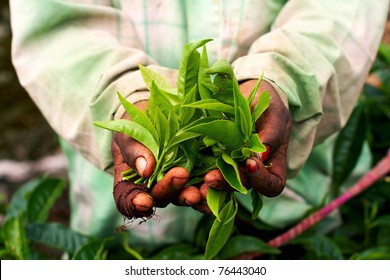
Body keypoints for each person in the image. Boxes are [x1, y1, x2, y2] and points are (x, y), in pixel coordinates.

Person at [9, 0, 389, 250]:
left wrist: (283, 81)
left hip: (301, 205)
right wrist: (122, 100)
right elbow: (56, 27)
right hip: (122, 231)